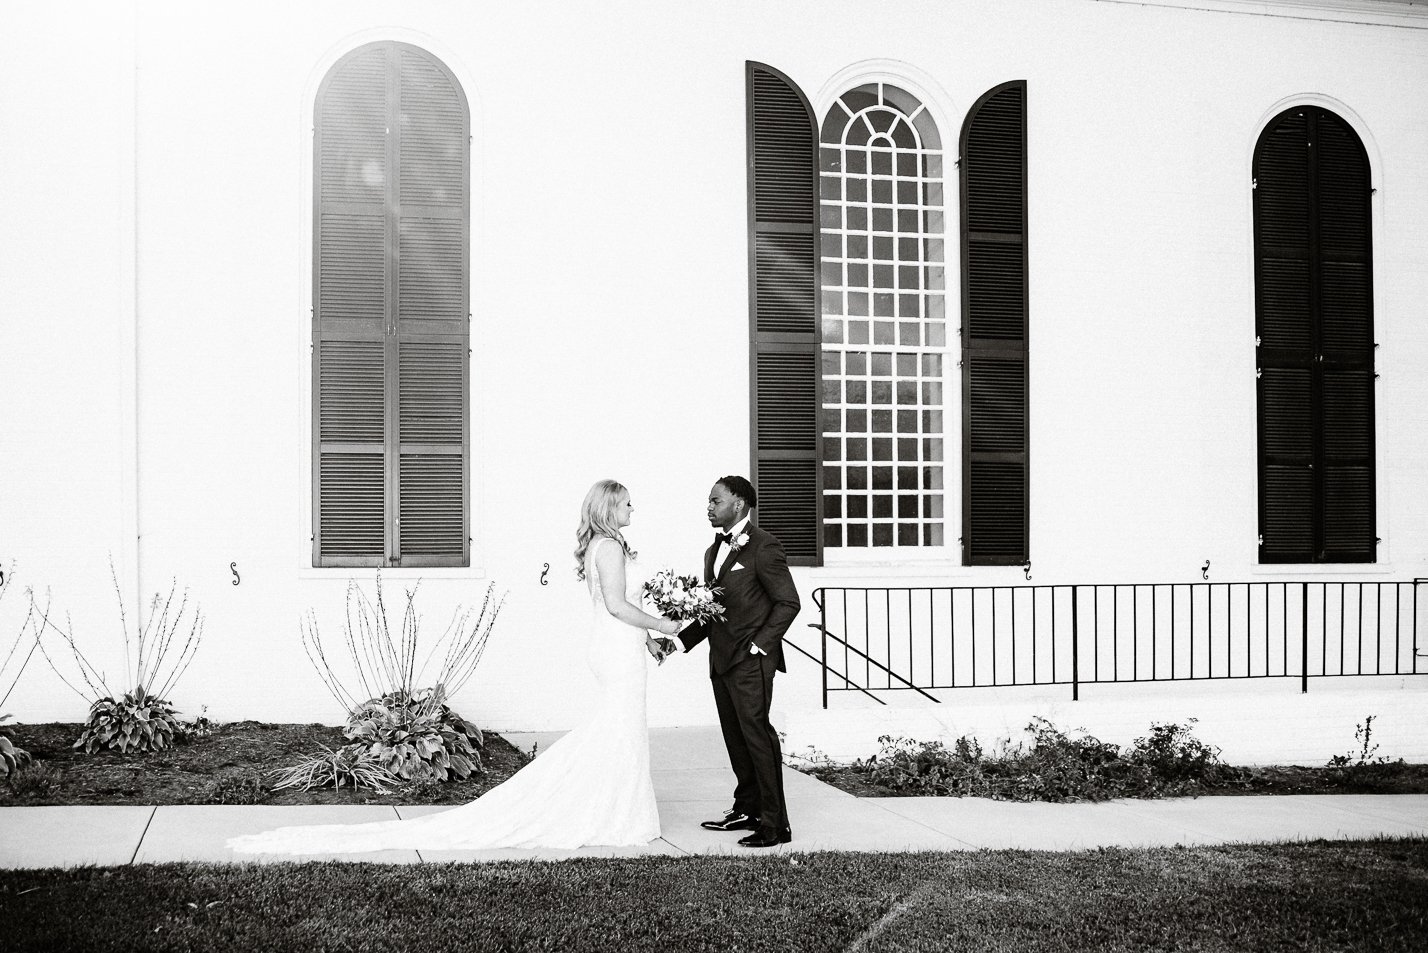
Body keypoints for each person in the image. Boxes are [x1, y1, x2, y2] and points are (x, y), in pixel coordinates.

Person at [226, 479, 682, 855]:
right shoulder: (612, 548)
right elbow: (621, 606)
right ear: (608, 507)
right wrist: (667, 625)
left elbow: (617, 610)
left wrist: (650, 644)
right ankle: (609, 811)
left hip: (616, 646)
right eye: (626, 504)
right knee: (619, 727)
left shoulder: (602, 546)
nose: (632, 509)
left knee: (619, 727)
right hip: (616, 648)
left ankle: (614, 805)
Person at [661, 475, 801, 848]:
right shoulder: (712, 552)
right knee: (736, 739)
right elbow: (712, 613)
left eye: (715, 501)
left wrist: (760, 645)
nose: (709, 507)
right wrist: (676, 643)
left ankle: (775, 824)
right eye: (709, 501)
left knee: (758, 737)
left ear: (738, 503)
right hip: (721, 661)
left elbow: (789, 603)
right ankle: (747, 809)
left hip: (751, 661)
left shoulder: (764, 547)